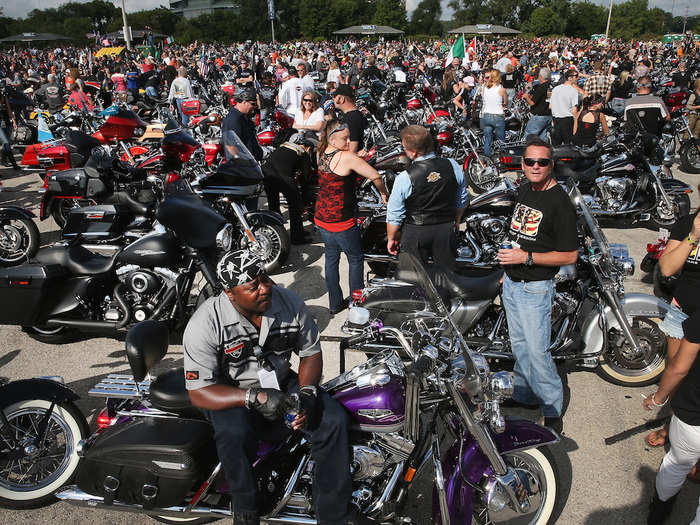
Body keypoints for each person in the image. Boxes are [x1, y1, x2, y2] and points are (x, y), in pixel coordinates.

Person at [183, 249, 368, 525]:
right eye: (253, 285)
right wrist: (252, 397)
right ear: (230, 293)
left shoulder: (289, 302)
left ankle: (334, 514)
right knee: (234, 432)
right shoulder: (205, 323)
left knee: (333, 421)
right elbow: (199, 391)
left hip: (281, 382)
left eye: (265, 278)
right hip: (230, 392)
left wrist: (306, 394)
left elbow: (310, 353)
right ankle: (245, 511)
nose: (265, 287)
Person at [497, 137, 579, 434]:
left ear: (551, 165)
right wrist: (509, 266)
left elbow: (570, 254)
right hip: (513, 283)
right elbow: (518, 234)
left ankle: (551, 407)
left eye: (542, 162)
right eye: (530, 161)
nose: (535, 166)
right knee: (519, 346)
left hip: (536, 287)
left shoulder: (560, 203)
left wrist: (526, 257)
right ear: (522, 164)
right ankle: (524, 394)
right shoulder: (523, 190)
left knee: (537, 351)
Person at [315, 118, 388, 315]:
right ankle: (356, 304)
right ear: (332, 139)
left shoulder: (321, 151)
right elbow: (376, 176)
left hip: (322, 216)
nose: (349, 142)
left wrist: (356, 156)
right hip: (341, 220)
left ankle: (334, 303)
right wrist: (383, 194)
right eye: (344, 139)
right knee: (356, 259)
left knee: (331, 259)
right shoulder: (347, 157)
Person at [386, 125, 467, 270]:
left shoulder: (405, 177)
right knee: (447, 277)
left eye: (404, 148)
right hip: (445, 229)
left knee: (414, 279)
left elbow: (394, 214)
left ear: (413, 152)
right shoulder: (453, 165)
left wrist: (392, 238)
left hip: (415, 232)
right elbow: (461, 199)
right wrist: (457, 221)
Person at [262, 139, 314, 245]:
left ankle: (275, 236)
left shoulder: (283, 147)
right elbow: (306, 178)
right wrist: (304, 199)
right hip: (283, 176)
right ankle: (297, 237)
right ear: (308, 148)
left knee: (273, 205)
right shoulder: (303, 153)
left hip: (266, 174)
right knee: (295, 206)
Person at [221, 87, 263, 162]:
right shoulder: (233, 120)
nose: (254, 107)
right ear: (244, 102)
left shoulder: (243, 117)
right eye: (253, 104)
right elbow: (231, 147)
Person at [332, 84, 367, 154]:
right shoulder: (353, 115)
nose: (333, 99)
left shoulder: (352, 118)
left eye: (334, 96)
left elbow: (353, 146)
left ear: (342, 99)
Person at [479, 69, 507, 157]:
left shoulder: (485, 88)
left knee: (487, 138)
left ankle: (487, 157)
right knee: (501, 139)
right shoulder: (501, 89)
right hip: (497, 116)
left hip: (486, 115)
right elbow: (505, 102)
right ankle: (501, 158)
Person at [549, 69, 580, 146]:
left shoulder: (556, 89)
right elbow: (574, 110)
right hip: (567, 120)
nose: (578, 78)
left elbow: (550, 106)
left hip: (556, 120)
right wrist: (576, 126)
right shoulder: (573, 91)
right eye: (576, 76)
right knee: (568, 147)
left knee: (556, 147)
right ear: (569, 78)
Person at [523, 67, 552, 140]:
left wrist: (526, 97)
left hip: (539, 115)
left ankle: (528, 150)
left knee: (529, 135)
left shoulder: (540, 87)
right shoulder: (551, 86)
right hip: (548, 115)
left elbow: (532, 103)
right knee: (542, 137)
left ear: (541, 76)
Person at [0, 82, 19, 170]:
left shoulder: (4, 96)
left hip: (7, 121)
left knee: (6, 143)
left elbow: (9, 109)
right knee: (6, 142)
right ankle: (14, 163)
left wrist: (14, 121)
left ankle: (3, 160)